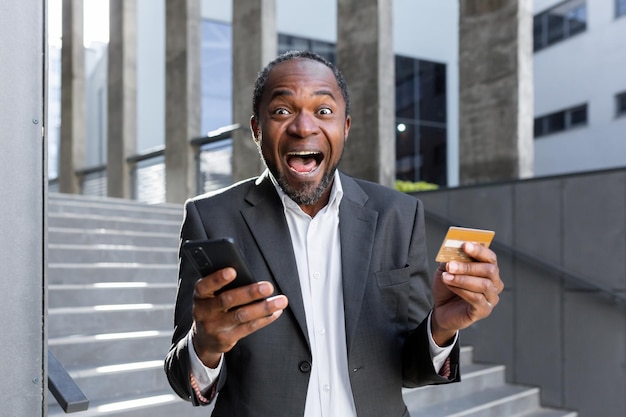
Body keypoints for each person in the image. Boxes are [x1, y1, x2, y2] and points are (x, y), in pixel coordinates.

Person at [164, 50, 503, 417]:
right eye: (282, 111)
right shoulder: (210, 216)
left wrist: (441, 328)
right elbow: (187, 382)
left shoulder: (398, 215)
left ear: (345, 127)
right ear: (257, 130)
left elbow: (410, 368)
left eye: (323, 111)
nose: (303, 127)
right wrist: (205, 345)